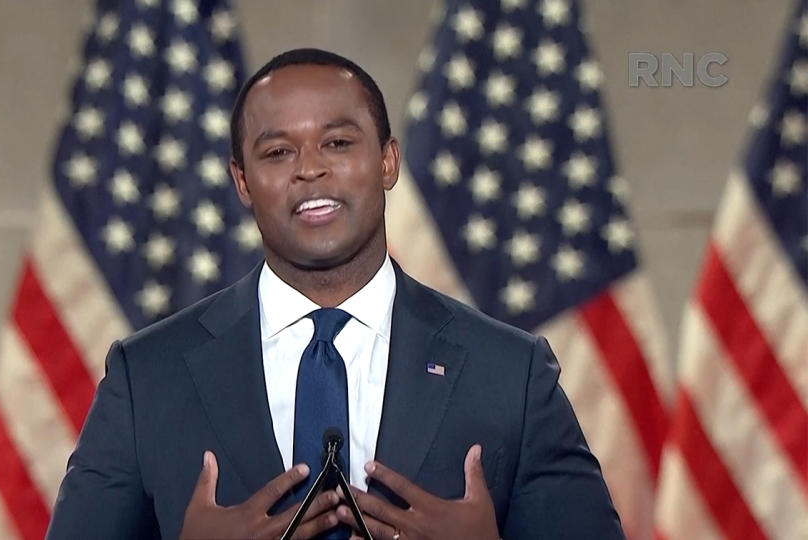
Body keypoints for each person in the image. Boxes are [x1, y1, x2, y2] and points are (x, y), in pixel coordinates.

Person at [46, 48, 624, 540]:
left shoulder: (510, 372)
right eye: (277, 152)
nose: (310, 170)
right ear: (242, 182)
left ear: (388, 161)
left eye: (338, 143)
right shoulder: (147, 376)